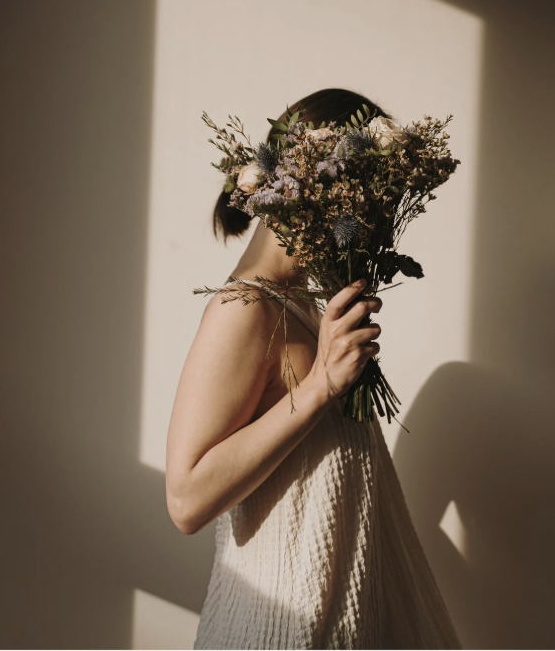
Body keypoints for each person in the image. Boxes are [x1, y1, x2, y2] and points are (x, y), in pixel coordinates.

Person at [166, 89, 461, 649]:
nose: (373, 218)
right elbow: (185, 500)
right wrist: (323, 383)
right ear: (312, 186)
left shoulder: (306, 307)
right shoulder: (241, 310)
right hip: (274, 631)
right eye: (369, 197)